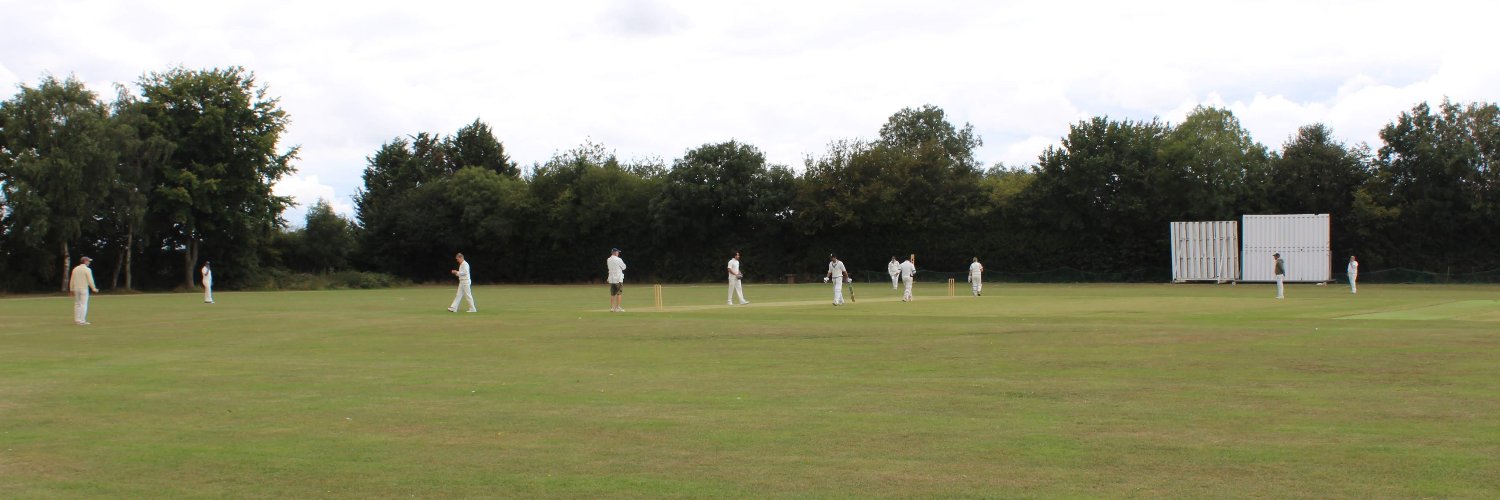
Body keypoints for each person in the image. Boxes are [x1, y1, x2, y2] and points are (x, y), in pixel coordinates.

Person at [70, 256, 99, 325]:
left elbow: (72, 280)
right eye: (88, 261)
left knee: (77, 304)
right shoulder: (87, 269)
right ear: (85, 261)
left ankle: (77, 319)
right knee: (83, 304)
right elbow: (90, 280)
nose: (89, 262)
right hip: (83, 289)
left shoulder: (75, 269)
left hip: (76, 288)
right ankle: (82, 320)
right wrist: (93, 288)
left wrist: (71, 289)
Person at [607, 248, 627, 312]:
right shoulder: (619, 259)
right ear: (615, 253)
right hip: (618, 279)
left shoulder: (608, 259)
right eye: (618, 252)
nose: (618, 253)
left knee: (612, 294)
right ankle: (618, 307)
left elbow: (609, 268)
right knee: (619, 293)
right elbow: (624, 267)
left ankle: (612, 308)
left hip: (611, 279)